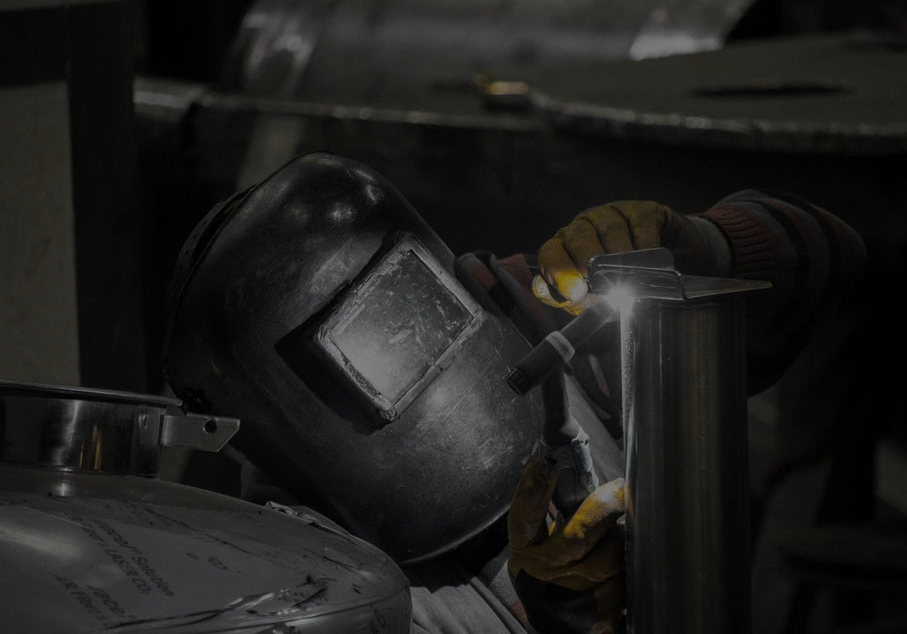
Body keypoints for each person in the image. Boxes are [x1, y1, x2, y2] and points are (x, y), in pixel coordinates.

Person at [164, 153, 866, 634]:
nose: (408, 348)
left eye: (411, 306)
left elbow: (838, 258)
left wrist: (703, 246)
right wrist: (560, 615)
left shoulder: (526, 308)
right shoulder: (320, 583)